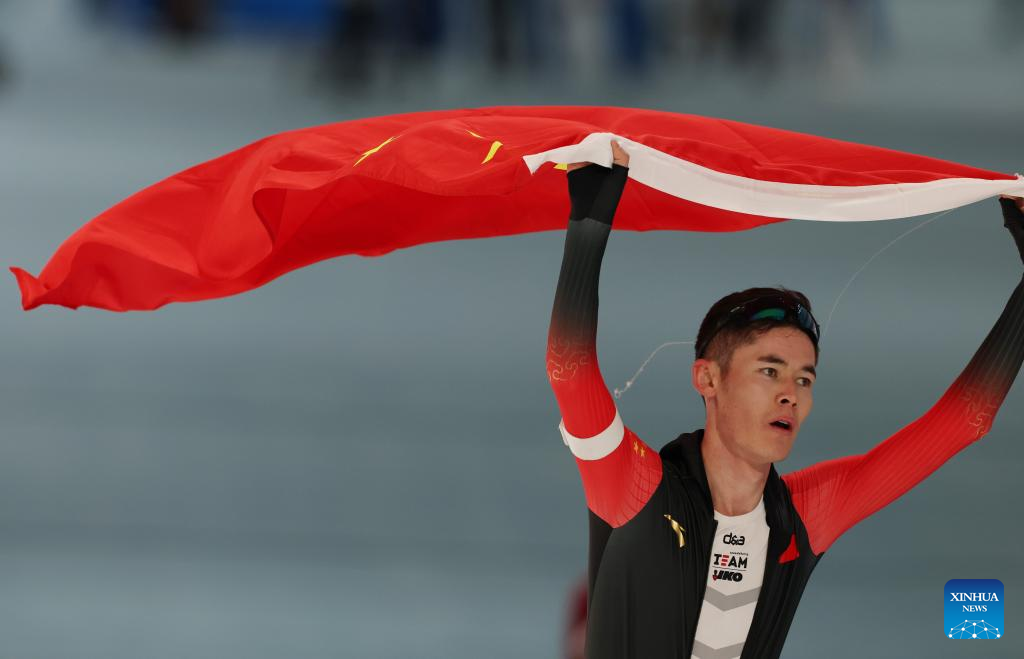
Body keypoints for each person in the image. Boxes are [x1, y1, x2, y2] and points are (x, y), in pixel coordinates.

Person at [545, 141, 1024, 659]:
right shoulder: (636, 487)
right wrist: (591, 213)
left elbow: (964, 422)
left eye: (804, 379)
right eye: (769, 371)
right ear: (708, 379)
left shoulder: (806, 514)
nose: (789, 395)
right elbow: (569, 369)